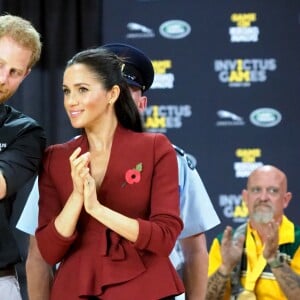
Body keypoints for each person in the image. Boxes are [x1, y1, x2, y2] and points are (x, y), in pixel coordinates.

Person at [17, 43, 220, 300]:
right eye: (67, 91)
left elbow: (170, 239)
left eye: (82, 90)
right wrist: (77, 199)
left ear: (112, 94)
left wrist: (97, 209)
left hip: (148, 288)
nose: (72, 101)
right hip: (75, 289)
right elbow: (45, 251)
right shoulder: (57, 159)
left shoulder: (159, 149)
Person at [0, 14, 46, 300]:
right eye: (0, 64)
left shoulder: (26, 132)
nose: (3, 79)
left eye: (15, 72)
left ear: (27, 74)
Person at [206, 165, 300, 300]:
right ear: (245, 197)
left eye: (273, 191)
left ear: (285, 199)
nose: (263, 197)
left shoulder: (297, 241)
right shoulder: (225, 243)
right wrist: (225, 268)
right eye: (256, 190)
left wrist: (275, 261)